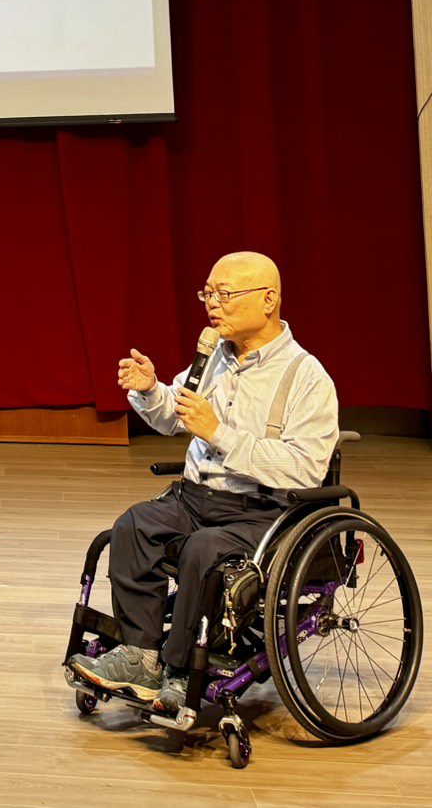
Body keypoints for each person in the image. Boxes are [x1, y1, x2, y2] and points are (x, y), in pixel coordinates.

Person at [68, 251, 338, 714]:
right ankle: (140, 655)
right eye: (207, 293)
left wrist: (219, 433)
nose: (212, 303)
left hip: (262, 511)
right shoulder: (214, 358)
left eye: (224, 294)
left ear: (268, 299)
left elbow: (306, 468)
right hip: (195, 498)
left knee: (203, 550)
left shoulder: (306, 377)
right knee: (134, 526)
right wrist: (152, 391)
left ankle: (179, 669)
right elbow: (175, 416)